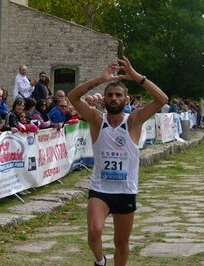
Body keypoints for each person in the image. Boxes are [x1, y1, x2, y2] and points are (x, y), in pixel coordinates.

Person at [68, 57, 168, 266]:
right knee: (94, 233)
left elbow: (162, 100)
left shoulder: (134, 121)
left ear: (127, 99)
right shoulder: (96, 120)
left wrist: (137, 77)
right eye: (110, 95)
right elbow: (73, 97)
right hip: (100, 189)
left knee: (121, 243)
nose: (114, 98)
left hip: (125, 190)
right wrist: (100, 79)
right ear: (104, 100)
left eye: (118, 95)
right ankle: (100, 261)